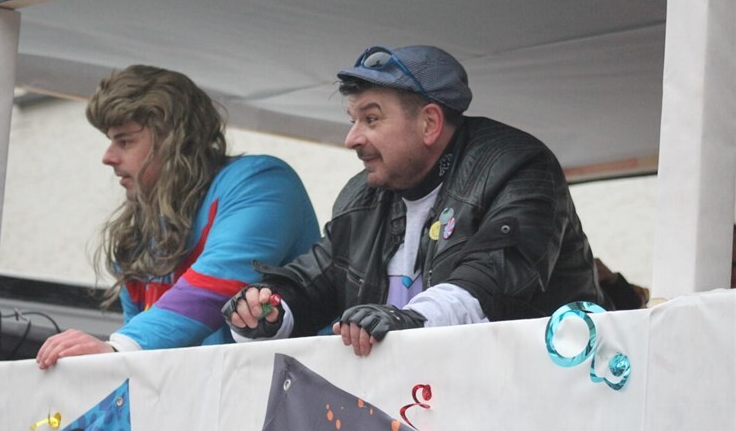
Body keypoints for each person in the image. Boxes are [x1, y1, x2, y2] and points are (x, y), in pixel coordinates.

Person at [223, 45, 611, 356]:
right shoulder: (361, 196)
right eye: (352, 120)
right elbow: (315, 282)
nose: (352, 139)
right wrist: (270, 312)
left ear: (429, 123)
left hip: (543, 399)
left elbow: (491, 281)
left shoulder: (516, 167)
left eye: (371, 119)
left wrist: (409, 320)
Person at [36, 65, 320, 369]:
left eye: (125, 141)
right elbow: (142, 349)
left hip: (288, 390)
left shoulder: (262, 182)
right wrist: (120, 353)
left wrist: (119, 348)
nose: (107, 157)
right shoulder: (141, 230)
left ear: (175, 141)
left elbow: (216, 285)